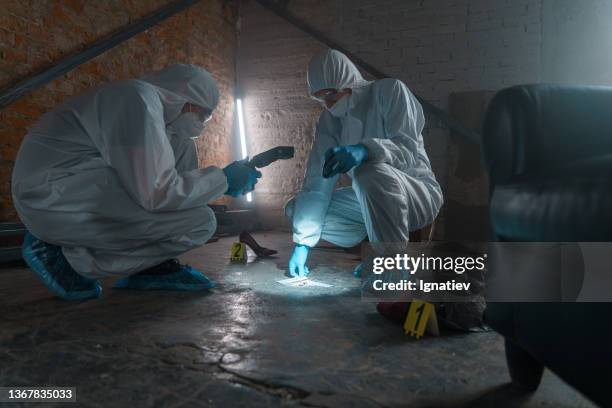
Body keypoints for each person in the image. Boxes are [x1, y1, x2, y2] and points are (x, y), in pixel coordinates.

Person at [12, 64, 260, 300]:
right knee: (192, 214)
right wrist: (223, 178)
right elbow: (157, 192)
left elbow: (175, 197)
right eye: (203, 113)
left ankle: (143, 266)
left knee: (199, 222)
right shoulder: (136, 97)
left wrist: (219, 185)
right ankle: (59, 253)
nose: (203, 122)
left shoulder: (169, 128)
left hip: (79, 190)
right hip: (49, 193)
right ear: (183, 98)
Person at [285, 49, 443, 278]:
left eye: (331, 95)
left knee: (368, 172)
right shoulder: (330, 121)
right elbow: (317, 180)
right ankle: (375, 253)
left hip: (416, 193)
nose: (328, 105)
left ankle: (394, 270)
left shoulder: (389, 92)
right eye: (321, 99)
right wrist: (303, 243)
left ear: (347, 82)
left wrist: (365, 150)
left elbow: (407, 151)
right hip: (370, 197)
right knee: (295, 209)